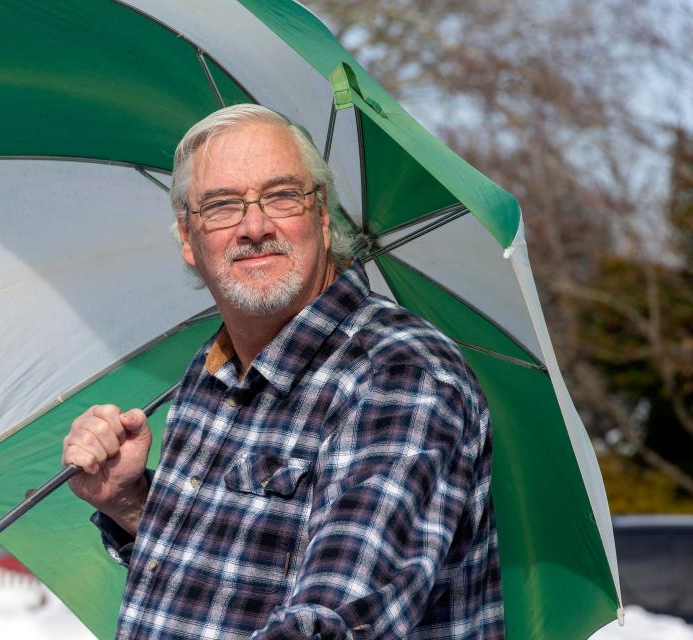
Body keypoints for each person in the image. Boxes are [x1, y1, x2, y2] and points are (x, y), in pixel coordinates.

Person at [62, 104, 503, 639]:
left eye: (281, 195)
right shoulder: (211, 369)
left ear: (320, 214)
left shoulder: (401, 378)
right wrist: (129, 502)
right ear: (187, 238)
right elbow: (228, 582)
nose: (254, 226)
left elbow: (336, 622)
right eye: (221, 205)